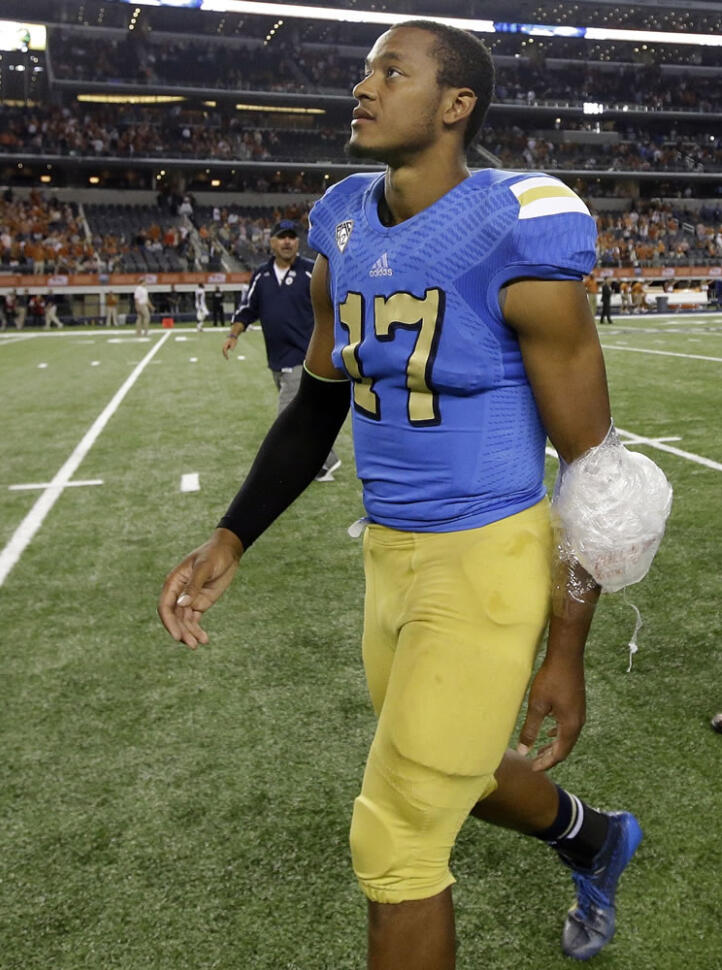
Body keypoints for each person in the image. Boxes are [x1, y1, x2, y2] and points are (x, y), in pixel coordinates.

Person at [158, 21, 671, 970]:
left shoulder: (516, 223)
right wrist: (232, 535)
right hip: (388, 555)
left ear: (455, 104)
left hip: (488, 564)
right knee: (465, 775)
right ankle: (596, 837)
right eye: (364, 69)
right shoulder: (342, 218)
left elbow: (600, 477)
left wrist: (566, 652)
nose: (363, 86)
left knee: (395, 839)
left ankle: (589, 838)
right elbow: (319, 398)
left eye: (392, 71)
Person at [223, 218, 339, 479]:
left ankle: (287, 473)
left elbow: (337, 303)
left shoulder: (313, 271)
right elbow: (247, 309)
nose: (287, 241)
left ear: (298, 242)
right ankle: (325, 461)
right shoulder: (261, 275)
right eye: (282, 237)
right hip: (276, 359)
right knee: (305, 415)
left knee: (288, 417)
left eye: (292, 236)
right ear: (272, 242)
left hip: (304, 357)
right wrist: (234, 334)